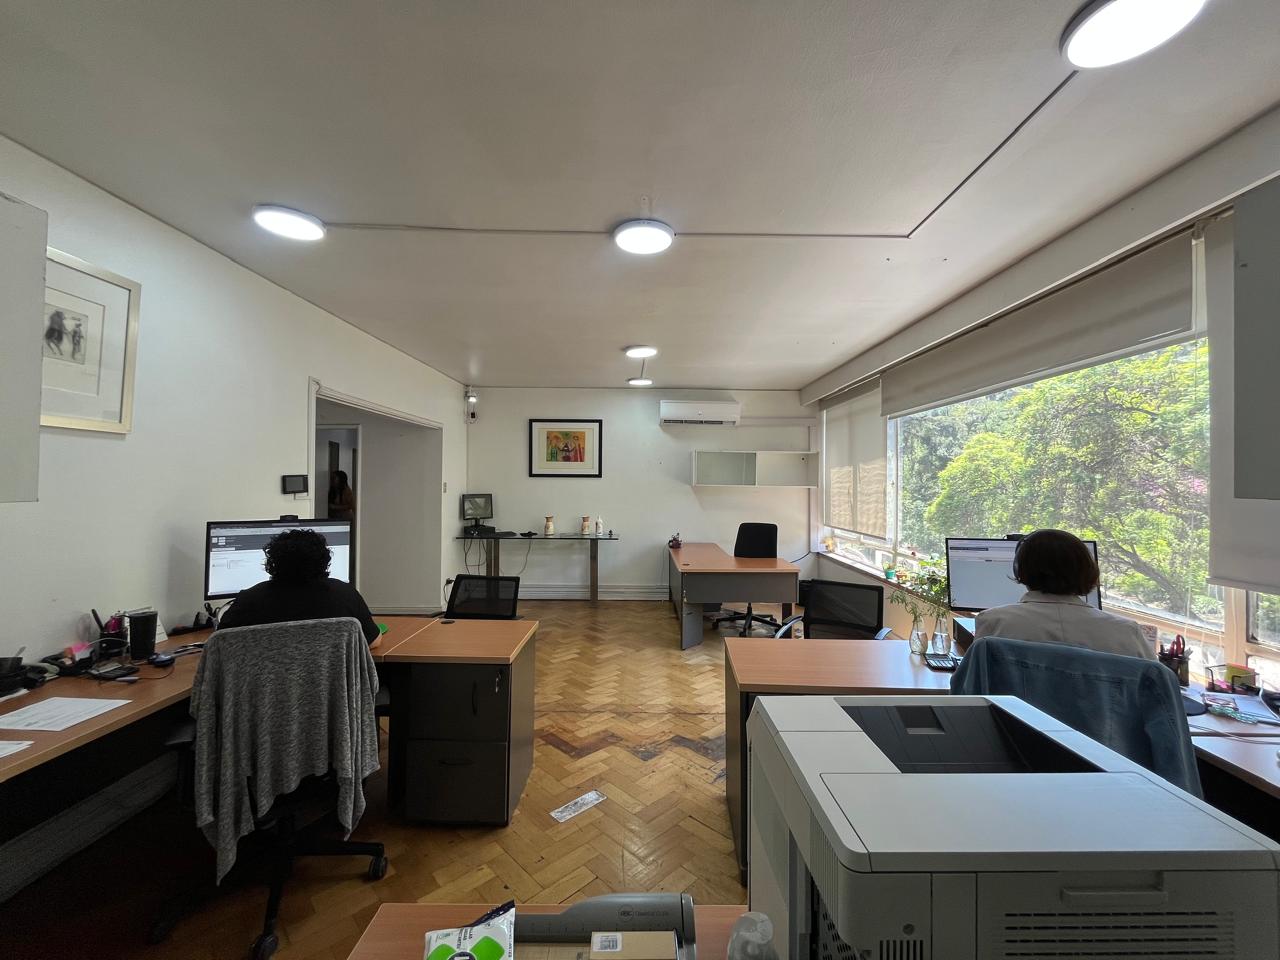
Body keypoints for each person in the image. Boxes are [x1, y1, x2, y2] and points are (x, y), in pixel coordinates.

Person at [975, 528, 1155, 660]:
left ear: (1019, 570)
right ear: (1089, 571)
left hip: (1016, 705)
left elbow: (972, 684)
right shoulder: (1127, 632)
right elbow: (1159, 690)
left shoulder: (995, 622)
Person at [217, 528, 379, 645]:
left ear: (273, 562)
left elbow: (220, 643)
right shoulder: (345, 595)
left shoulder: (248, 600)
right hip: (331, 684)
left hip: (264, 684)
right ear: (324, 561)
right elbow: (374, 641)